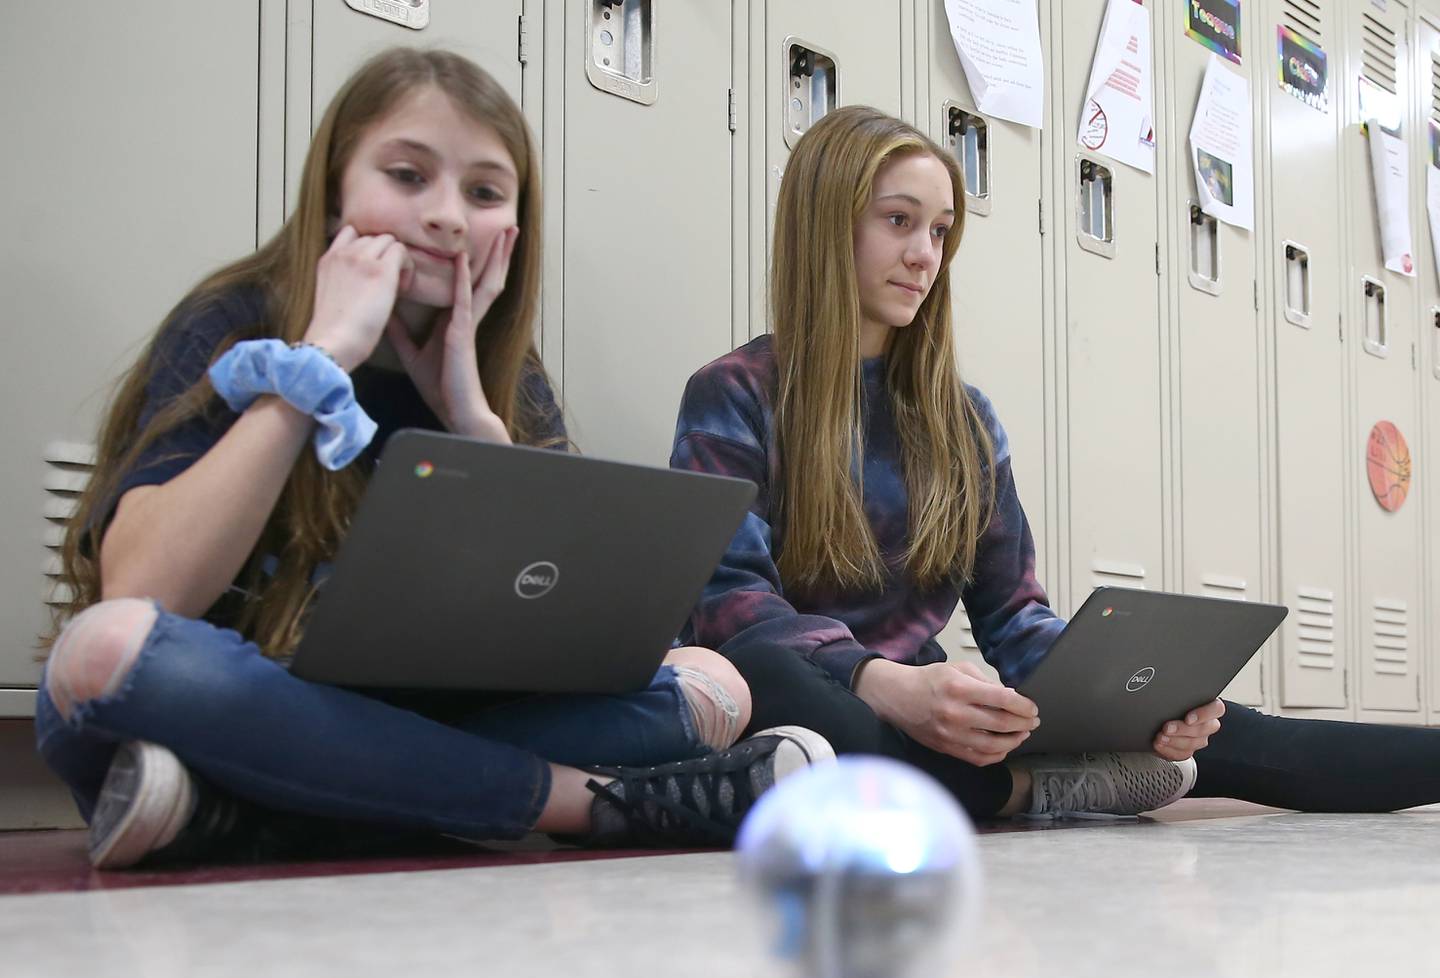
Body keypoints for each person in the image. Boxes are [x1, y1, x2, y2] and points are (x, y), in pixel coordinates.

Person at [36, 48, 832, 871]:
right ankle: (595, 802)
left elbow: (580, 632)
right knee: (110, 650)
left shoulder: (497, 371)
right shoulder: (236, 321)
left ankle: (251, 808)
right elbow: (142, 591)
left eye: (484, 192)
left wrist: (471, 418)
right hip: (232, 700)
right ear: (337, 184)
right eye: (408, 176)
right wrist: (317, 360)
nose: (447, 215)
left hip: (416, 719)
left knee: (714, 683)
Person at [671, 105, 1440, 820]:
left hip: (927, 714)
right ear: (826, 227)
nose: (922, 256)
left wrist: (1136, 699)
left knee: (1239, 734)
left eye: (939, 231)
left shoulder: (962, 420)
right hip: (819, 698)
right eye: (898, 222)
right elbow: (732, 608)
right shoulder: (734, 394)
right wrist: (884, 681)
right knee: (825, 724)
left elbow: (1014, 618)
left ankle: (1045, 779)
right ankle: (1047, 787)